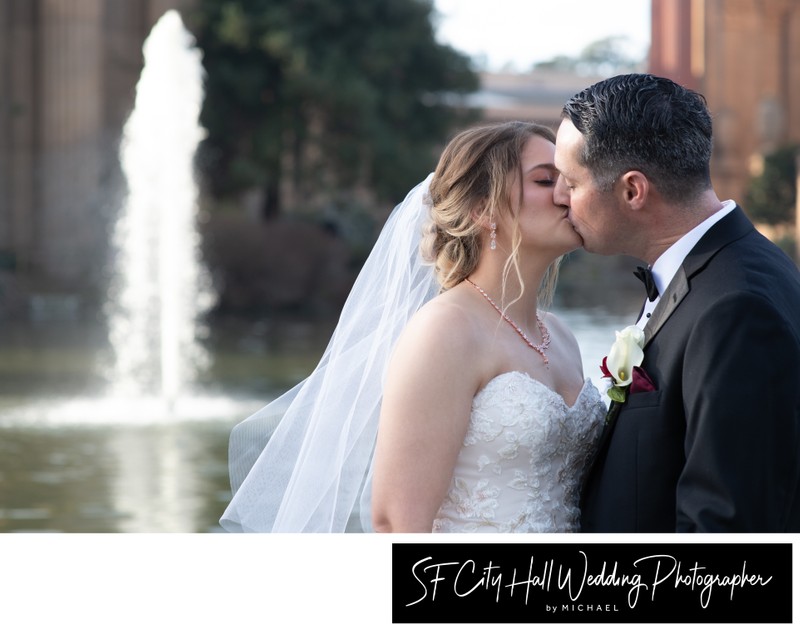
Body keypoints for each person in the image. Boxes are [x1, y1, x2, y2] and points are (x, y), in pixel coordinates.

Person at [220, 121, 606, 533]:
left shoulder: (559, 336)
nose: (567, 194)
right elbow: (396, 523)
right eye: (546, 180)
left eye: (568, 180)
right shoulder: (446, 331)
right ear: (482, 209)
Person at [553, 73, 800, 532]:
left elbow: (726, 533)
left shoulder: (736, 309)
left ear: (632, 191)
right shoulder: (711, 273)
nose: (558, 198)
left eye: (570, 182)